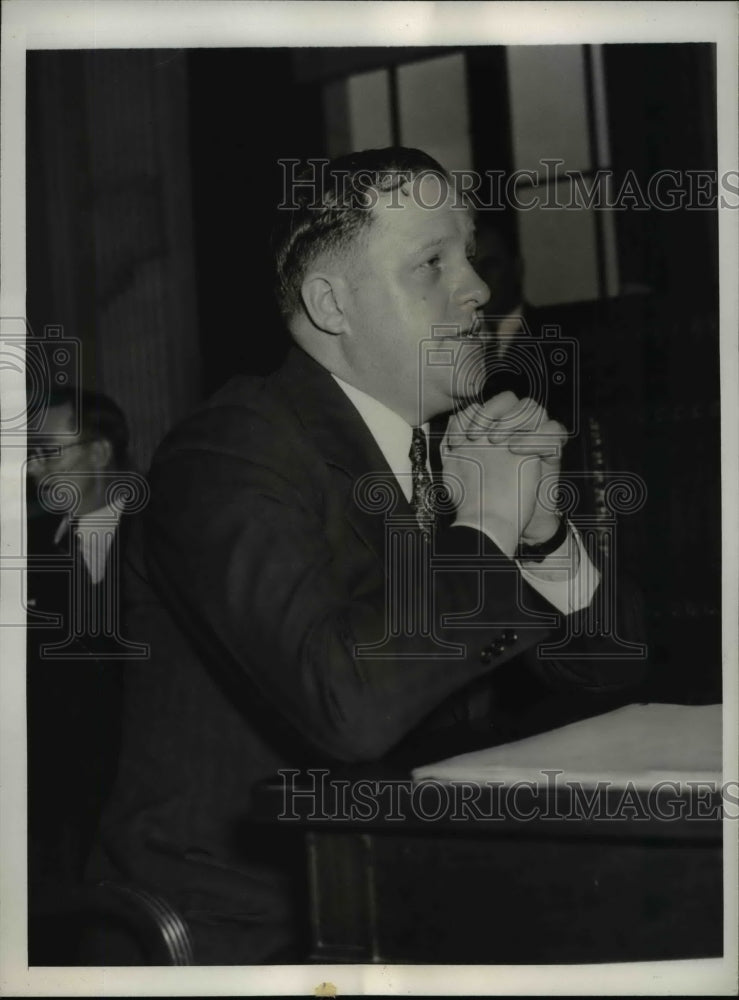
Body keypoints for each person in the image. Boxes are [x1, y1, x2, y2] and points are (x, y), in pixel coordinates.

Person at [88, 147, 644, 965]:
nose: (479, 289)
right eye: (431, 263)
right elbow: (347, 708)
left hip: (419, 889)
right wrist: (486, 518)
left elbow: (612, 671)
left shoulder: (444, 448)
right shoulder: (226, 454)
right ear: (330, 303)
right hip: (246, 936)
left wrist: (541, 535)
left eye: (470, 256)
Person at [26, 388, 136, 939]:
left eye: (47, 451)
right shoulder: (26, 557)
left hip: (147, 818)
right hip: (53, 820)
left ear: (98, 454)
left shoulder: (169, 538)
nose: (32, 468)